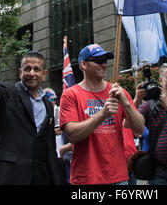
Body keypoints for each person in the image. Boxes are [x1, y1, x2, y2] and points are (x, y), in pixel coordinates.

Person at [0, 34, 63, 185]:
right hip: (9, 176)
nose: (31, 73)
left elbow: (49, 147)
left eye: (36, 69)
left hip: (39, 178)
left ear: (44, 75)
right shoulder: (7, 94)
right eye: (27, 68)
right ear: (20, 72)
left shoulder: (47, 105)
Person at [59, 43, 144, 185]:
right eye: (98, 61)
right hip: (86, 178)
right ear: (83, 64)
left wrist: (127, 104)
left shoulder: (118, 92)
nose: (104, 65)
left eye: (105, 61)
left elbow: (139, 129)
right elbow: (72, 134)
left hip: (119, 177)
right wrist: (102, 115)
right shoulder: (70, 95)